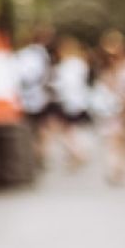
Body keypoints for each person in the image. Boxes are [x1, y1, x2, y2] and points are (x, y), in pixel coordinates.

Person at [92, 30, 125, 184]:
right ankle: (116, 168)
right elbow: (101, 91)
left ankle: (123, 166)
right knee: (113, 139)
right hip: (111, 111)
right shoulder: (105, 70)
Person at [15, 25, 56, 167]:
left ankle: (33, 154)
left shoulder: (22, 54)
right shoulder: (41, 54)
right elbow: (45, 76)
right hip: (38, 98)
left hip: (25, 98)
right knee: (42, 128)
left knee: (30, 128)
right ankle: (40, 154)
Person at [51, 36, 93, 168]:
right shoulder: (80, 64)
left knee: (65, 130)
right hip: (80, 101)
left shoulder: (66, 66)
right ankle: (76, 154)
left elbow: (65, 85)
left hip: (69, 102)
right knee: (71, 130)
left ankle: (77, 153)